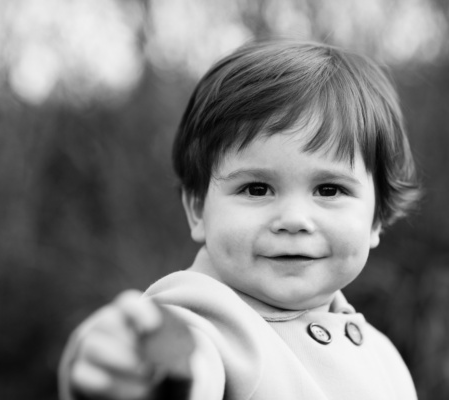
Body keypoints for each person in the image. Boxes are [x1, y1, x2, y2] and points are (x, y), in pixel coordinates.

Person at [58, 39, 421, 400]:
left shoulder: (382, 355)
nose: (294, 219)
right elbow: (190, 360)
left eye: (329, 190)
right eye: (257, 189)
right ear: (199, 210)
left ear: (377, 217)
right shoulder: (210, 320)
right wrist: (144, 369)